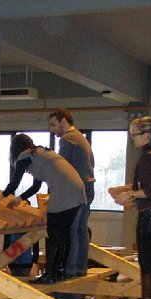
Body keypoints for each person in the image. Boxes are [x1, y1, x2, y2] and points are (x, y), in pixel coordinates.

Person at [0, 134, 86, 285]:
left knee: (52, 234)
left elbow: (14, 183)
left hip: (63, 191)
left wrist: (0, 197)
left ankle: (50, 274)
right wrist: (18, 199)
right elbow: (36, 187)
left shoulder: (24, 156)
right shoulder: (39, 155)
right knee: (64, 235)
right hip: (78, 190)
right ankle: (60, 272)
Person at [109, 116, 151, 299]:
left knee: (146, 262)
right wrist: (131, 192)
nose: (133, 139)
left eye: (134, 135)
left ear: (146, 136)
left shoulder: (146, 158)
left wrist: (130, 195)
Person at [48, 109, 95, 279]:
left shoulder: (67, 139)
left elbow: (61, 169)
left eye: (54, 125)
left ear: (63, 121)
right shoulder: (81, 137)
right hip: (88, 186)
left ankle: (70, 270)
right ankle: (80, 268)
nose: (52, 130)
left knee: (71, 229)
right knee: (81, 229)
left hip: (76, 190)